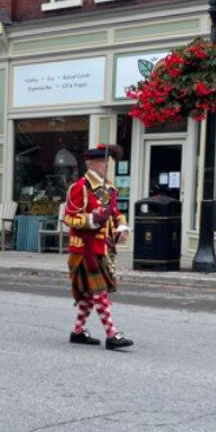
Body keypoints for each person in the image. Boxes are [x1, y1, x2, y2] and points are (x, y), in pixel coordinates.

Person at [61, 145, 133, 350]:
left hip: (102, 247)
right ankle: (112, 335)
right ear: (90, 164)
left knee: (87, 295)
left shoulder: (108, 188)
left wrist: (121, 226)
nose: (106, 166)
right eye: (102, 162)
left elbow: (116, 212)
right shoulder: (80, 187)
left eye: (107, 162)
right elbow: (69, 218)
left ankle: (77, 332)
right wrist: (92, 219)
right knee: (99, 291)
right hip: (84, 250)